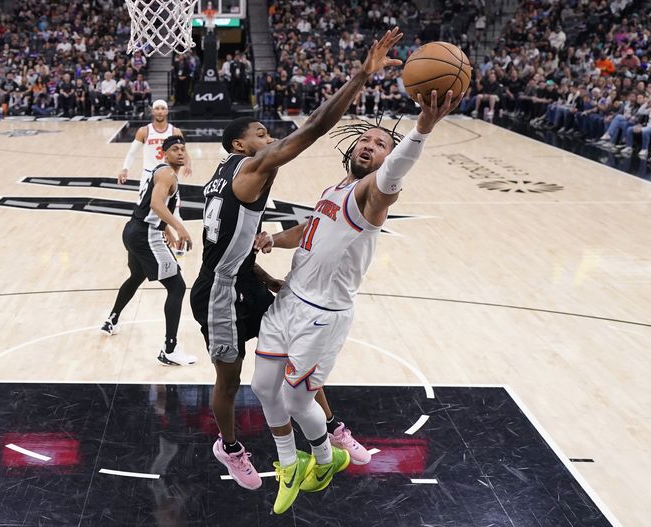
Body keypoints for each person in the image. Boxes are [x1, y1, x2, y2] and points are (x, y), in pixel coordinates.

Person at [190, 27, 404, 495]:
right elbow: (314, 128)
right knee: (230, 378)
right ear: (240, 147)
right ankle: (228, 448)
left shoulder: (226, 174)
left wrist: (263, 268)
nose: (270, 140)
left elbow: (230, 239)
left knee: (295, 349)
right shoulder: (250, 169)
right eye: (261, 134)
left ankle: (330, 430)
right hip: (220, 292)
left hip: (243, 275)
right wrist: (361, 77)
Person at [251, 88, 462, 514]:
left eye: (381, 144)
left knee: (295, 400)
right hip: (288, 297)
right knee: (260, 387)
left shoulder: (374, 195)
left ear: (388, 158)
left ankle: (328, 460)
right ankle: (291, 465)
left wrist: (422, 128)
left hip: (323, 314)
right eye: (366, 139)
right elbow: (308, 230)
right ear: (351, 145)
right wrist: (274, 237)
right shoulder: (333, 188)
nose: (370, 145)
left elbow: (397, 169)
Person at [101, 135, 197, 366]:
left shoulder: (161, 171)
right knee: (177, 287)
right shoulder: (167, 174)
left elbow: (150, 209)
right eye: (175, 149)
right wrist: (180, 227)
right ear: (165, 153)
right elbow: (156, 205)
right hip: (145, 235)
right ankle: (170, 349)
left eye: (183, 149)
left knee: (136, 276)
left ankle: (111, 320)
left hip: (133, 229)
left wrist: (169, 233)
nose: (181, 153)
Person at [117, 99, 193, 197]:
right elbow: (132, 152)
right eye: (157, 108)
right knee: (144, 210)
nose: (160, 111)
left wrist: (188, 164)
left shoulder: (175, 131)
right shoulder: (144, 131)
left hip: (169, 175)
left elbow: (184, 152)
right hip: (148, 175)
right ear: (152, 111)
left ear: (167, 111)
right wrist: (125, 169)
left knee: (173, 210)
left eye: (162, 108)